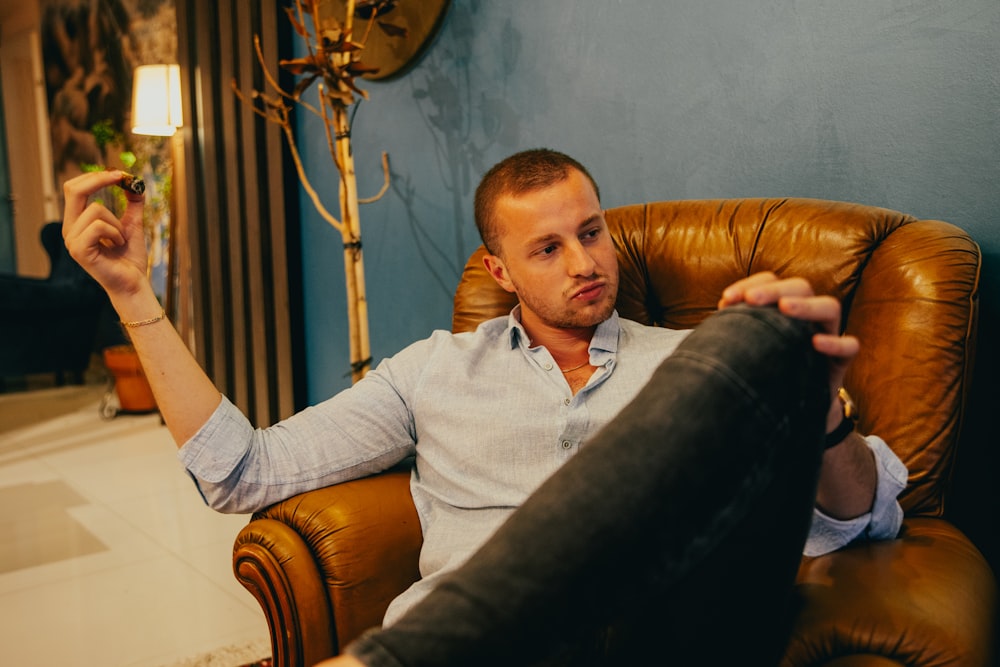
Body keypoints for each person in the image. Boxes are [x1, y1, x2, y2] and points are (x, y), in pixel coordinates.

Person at [62, 149, 906, 666]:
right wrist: (134, 294)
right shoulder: (432, 371)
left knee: (756, 332)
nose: (585, 261)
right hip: (492, 651)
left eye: (592, 230)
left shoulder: (686, 364)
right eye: (547, 246)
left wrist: (819, 407)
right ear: (498, 272)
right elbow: (240, 469)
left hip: (661, 631)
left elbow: (862, 517)